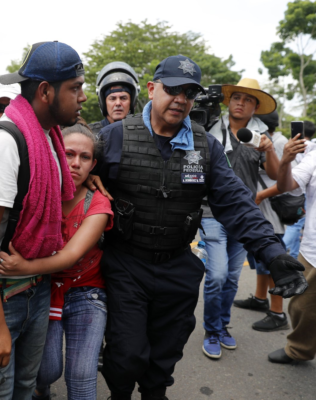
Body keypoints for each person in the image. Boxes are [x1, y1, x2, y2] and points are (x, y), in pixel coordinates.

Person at [97, 55, 306, 400]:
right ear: (151, 89)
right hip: (126, 265)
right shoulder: (114, 137)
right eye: (173, 89)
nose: (180, 99)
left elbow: (236, 203)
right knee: (126, 354)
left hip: (177, 266)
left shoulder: (205, 146)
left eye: (189, 92)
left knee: (164, 355)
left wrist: (273, 252)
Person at [0, 41, 84, 399]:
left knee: (26, 389)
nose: (83, 97)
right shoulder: (6, 142)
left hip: (34, 286)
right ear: (46, 91)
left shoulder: (49, 138)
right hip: (0, 296)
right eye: (75, 88)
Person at [0, 123, 112, 400]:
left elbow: (71, 256)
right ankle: (41, 390)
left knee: (82, 377)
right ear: (56, 154)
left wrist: (23, 268)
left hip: (87, 292)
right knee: (45, 371)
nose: (76, 163)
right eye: (69, 154)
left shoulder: (98, 203)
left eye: (85, 158)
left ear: (93, 164)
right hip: (42, 290)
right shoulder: (37, 192)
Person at [200, 78, 280, 359]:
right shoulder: (210, 129)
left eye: (248, 100)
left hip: (243, 216)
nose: (240, 103)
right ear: (229, 101)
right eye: (236, 97)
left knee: (232, 278)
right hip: (211, 212)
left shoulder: (259, 136)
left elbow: (276, 176)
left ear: (255, 107)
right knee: (218, 274)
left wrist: (269, 149)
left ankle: (222, 326)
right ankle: (211, 330)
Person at [233, 111, 289, 332]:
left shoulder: (276, 143)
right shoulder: (252, 140)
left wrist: (260, 196)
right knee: (259, 258)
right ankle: (259, 298)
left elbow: (287, 179)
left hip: (269, 208)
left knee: (273, 258)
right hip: (256, 208)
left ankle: (278, 312)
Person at [268, 132, 316, 364]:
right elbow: (287, 186)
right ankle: (299, 349)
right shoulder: (313, 155)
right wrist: (286, 160)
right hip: (314, 252)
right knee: (302, 307)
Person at [282, 120, 315, 259]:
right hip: (304, 190)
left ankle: (293, 254)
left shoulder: (292, 145)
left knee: (297, 223)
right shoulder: (312, 147)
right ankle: (281, 250)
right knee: (298, 224)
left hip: (299, 188)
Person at [88, 62, 139, 135]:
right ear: (103, 102)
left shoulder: (144, 133)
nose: (118, 103)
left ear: (132, 102)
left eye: (123, 98)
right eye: (112, 98)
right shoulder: (90, 134)